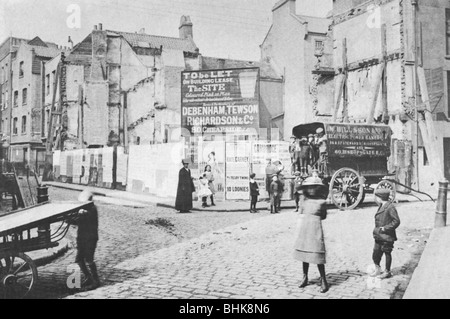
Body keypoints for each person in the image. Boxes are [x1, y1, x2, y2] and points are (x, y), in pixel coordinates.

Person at [294, 176, 329, 293]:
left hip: (315, 229)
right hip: (305, 228)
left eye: (314, 188)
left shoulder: (322, 202)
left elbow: (323, 216)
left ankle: (323, 280)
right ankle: (305, 277)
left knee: (317, 254)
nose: (311, 190)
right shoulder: (304, 200)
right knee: (305, 254)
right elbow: (300, 212)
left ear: (318, 189)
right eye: (308, 188)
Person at [71, 190, 100, 291]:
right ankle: (88, 277)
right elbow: (76, 220)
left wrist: (71, 218)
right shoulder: (85, 210)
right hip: (82, 238)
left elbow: (78, 220)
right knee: (79, 260)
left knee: (89, 259)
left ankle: (95, 281)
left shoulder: (91, 210)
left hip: (90, 239)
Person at [372, 188, 400, 279]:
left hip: (386, 235)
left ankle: (387, 271)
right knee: (376, 253)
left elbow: (396, 221)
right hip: (379, 235)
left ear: (381, 197)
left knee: (387, 252)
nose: (376, 198)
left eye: (377, 197)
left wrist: (385, 228)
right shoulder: (381, 205)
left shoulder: (390, 207)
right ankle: (377, 269)